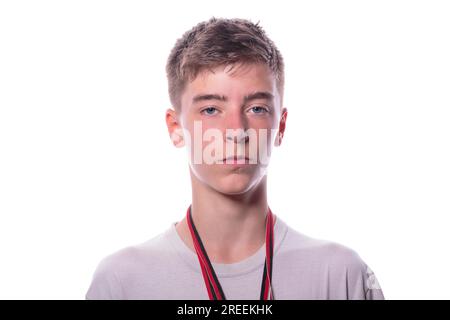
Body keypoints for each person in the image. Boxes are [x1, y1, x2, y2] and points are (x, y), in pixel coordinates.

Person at [86, 17, 384, 300]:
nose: (237, 132)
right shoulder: (123, 282)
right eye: (211, 110)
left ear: (280, 126)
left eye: (256, 108)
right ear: (175, 128)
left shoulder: (339, 276)